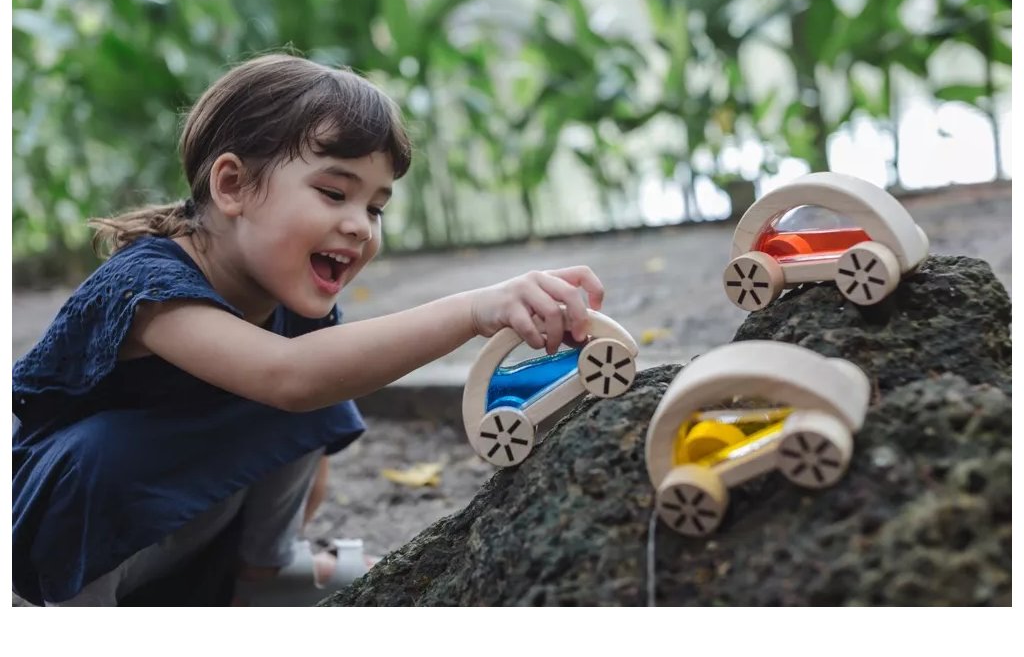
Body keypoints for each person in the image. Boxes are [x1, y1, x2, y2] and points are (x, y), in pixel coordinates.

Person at [12, 54, 605, 606]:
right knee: (104, 453)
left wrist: (276, 537)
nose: (360, 226)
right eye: (333, 193)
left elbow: (310, 420)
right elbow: (289, 378)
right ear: (232, 185)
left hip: (177, 542)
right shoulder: (146, 286)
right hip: (52, 556)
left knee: (320, 372)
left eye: (375, 207)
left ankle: (262, 575)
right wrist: (475, 310)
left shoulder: (293, 302)